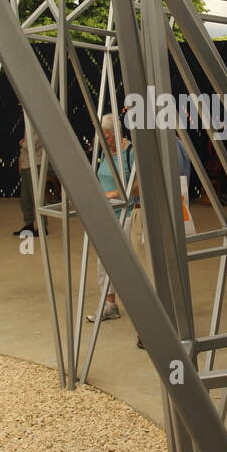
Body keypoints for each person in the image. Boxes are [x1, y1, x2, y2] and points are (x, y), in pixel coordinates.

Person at [86, 113, 135, 323]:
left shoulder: (130, 151)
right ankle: (109, 305)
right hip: (105, 215)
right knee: (104, 262)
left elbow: (138, 184)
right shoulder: (107, 152)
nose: (103, 140)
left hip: (127, 215)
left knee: (128, 265)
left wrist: (113, 194)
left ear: (115, 133)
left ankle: (143, 311)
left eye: (106, 136)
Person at [13, 123, 48, 238]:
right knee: (25, 197)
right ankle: (28, 224)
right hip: (26, 164)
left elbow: (31, 145)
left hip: (35, 163)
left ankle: (42, 226)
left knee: (36, 197)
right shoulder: (29, 124)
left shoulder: (39, 124)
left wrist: (22, 143)